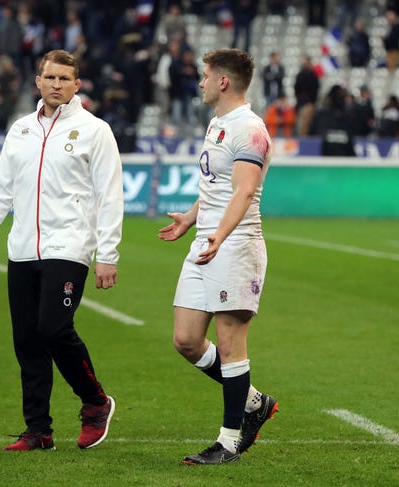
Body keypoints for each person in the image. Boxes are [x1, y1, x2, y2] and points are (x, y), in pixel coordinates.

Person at [0, 49, 123, 452]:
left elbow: (110, 196)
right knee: (27, 341)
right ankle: (38, 430)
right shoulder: (20, 129)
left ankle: (95, 402)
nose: (56, 85)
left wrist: (108, 253)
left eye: (64, 79)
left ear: (77, 85)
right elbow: (0, 187)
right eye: (49, 78)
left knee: (53, 329)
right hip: (21, 249)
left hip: (69, 245)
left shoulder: (95, 130)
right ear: (38, 81)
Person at [158, 48, 278, 465]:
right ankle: (255, 402)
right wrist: (190, 220)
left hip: (236, 245)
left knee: (230, 344)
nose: (201, 82)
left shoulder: (250, 129)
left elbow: (244, 191)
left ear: (224, 81)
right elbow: (216, 185)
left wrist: (219, 237)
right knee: (187, 340)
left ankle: (228, 443)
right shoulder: (218, 124)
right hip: (207, 242)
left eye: (206, 75)